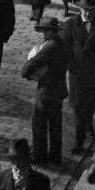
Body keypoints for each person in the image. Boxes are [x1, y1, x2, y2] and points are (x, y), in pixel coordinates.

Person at [62, 0, 95, 154]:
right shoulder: (70, 24)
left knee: (91, 103)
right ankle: (79, 140)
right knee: (77, 107)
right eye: (85, 9)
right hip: (77, 73)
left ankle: (89, 122)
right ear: (80, 9)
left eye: (91, 9)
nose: (88, 13)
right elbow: (64, 46)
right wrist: (71, 66)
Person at [22, 16, 70, 165]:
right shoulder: (63, 45)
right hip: (59, 90)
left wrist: (26, 73)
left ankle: (39, 156)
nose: (43, 34)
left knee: (39, 124)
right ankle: (56, 157)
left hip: (46, 91)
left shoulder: (50, 46)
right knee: (55, 126)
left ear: (51, 31)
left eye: (45, 31)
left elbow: (32, 64)